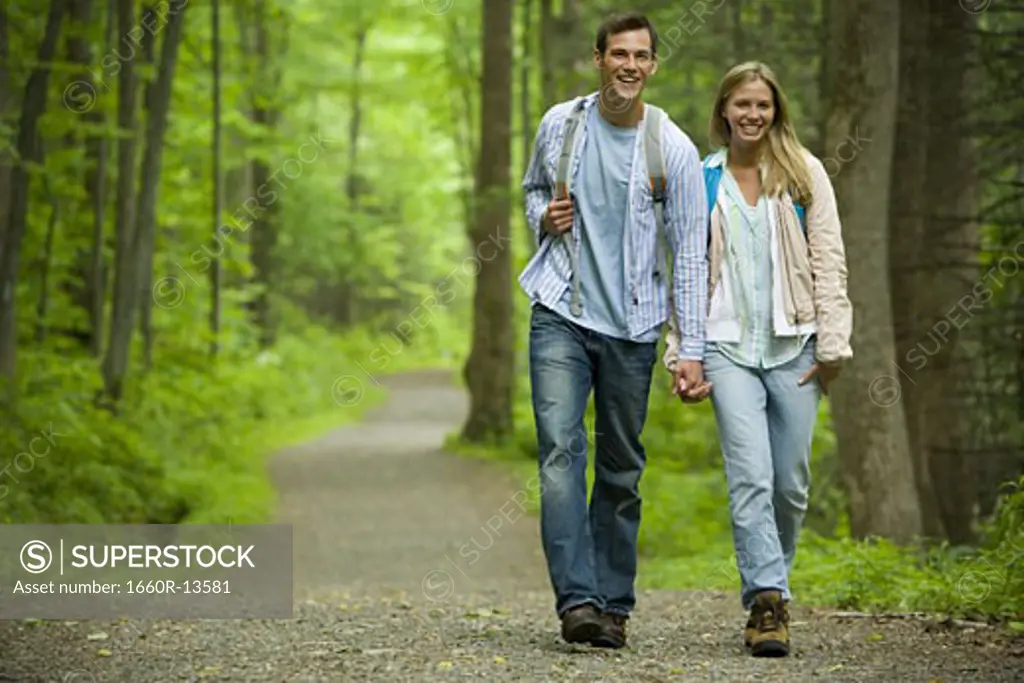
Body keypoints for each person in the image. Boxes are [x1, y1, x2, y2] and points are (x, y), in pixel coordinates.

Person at [518, 11, 710, 649]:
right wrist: (543, 217)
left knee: (621, 465)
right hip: (560, 313)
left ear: (653, 66)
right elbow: (532, 192)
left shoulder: (672, 149)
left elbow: (689, 253)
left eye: (641, 56)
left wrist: (692, 350)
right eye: (618, 54)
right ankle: (577, 601)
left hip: (634, 326)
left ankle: (614, 603)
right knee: (559, 454)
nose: (629, 65)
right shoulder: (559, 124)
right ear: (597, 58)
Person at [663, 61, 853, 657]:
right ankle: (768, 602)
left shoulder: (804, 173)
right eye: (741, 104)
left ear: (776, 112)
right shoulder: (702, 177)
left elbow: (830, 258)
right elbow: (686, 269)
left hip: (794, 344)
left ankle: (776, 579)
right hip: (726, 348)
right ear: (724, 110)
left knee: (790, 484)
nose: (752, 114)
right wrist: (681, 353)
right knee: (750, 476)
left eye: (762, 105)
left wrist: (834, 346)